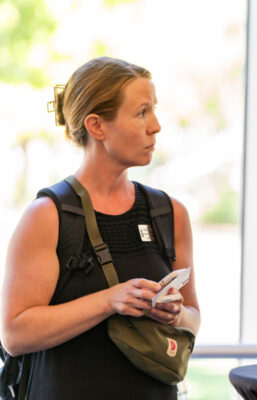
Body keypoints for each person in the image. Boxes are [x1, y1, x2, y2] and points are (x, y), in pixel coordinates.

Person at [0, 57, 200, 399]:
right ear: (97, 126)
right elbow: (15, 335)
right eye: (141, 112)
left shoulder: (170, 213)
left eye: (154, 109)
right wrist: (110, 301)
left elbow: (193, 319)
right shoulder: (48, 216)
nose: (156, 126)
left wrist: (175, 312)